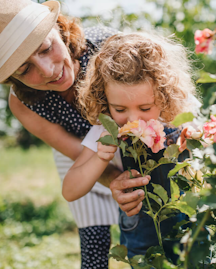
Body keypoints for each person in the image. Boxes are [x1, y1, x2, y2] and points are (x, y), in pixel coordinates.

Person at [0, 0, 149, 268]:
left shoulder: (109, 50)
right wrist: (113, 180)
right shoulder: (23, 104)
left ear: (60, 29)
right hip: (81, 152)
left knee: (146, 227)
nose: (48, 70)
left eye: (46, 48)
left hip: (135, 141)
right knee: (94, 242)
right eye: (24, 69)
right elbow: (74, 152)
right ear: (12, 78)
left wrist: (129, 182)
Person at [62, 32, 199, 261]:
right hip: (139, 230)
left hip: (186, 224)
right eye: (120, 109)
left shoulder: (175, 116)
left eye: (145, 108)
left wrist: (195, 139)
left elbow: (209, 150)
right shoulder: (105, 131)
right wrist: (100, 157)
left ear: (164, 95)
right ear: (105, 101)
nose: (132, 119)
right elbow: (70, 189)